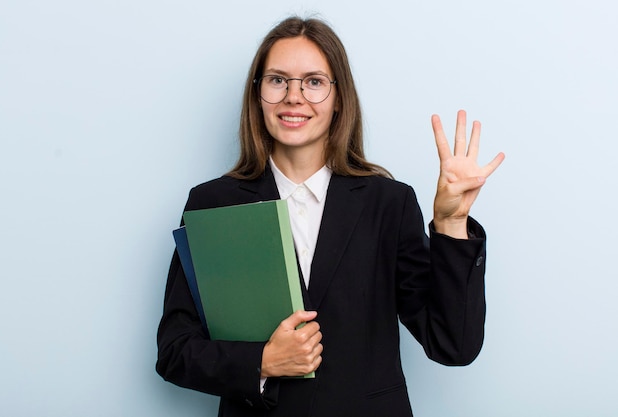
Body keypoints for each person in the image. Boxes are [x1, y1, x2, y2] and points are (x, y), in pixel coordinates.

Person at [156, 16, 504, 417]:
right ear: (257, 95)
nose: (293, 96)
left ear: (339, 98)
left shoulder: (387, 203)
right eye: (277, 80)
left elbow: (452, 344)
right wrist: (263, 362)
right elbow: (175, 351)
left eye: (314, 82)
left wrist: (451, 225)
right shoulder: (212, 203)